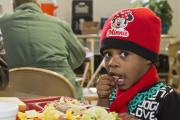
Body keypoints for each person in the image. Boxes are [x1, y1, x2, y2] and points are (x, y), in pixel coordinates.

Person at [96, 7, 180, 120]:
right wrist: (103, 99)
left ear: (147, 58)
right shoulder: (110, 93)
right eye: (108, 55)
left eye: (124, 54)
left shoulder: (166, 98)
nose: (112, 62)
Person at [0, 0, 86, 99]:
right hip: (63, 99)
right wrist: (57, 67)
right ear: (38, 5)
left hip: (15, 101)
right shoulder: (59, 24)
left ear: (13, 5)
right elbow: (80, 55)